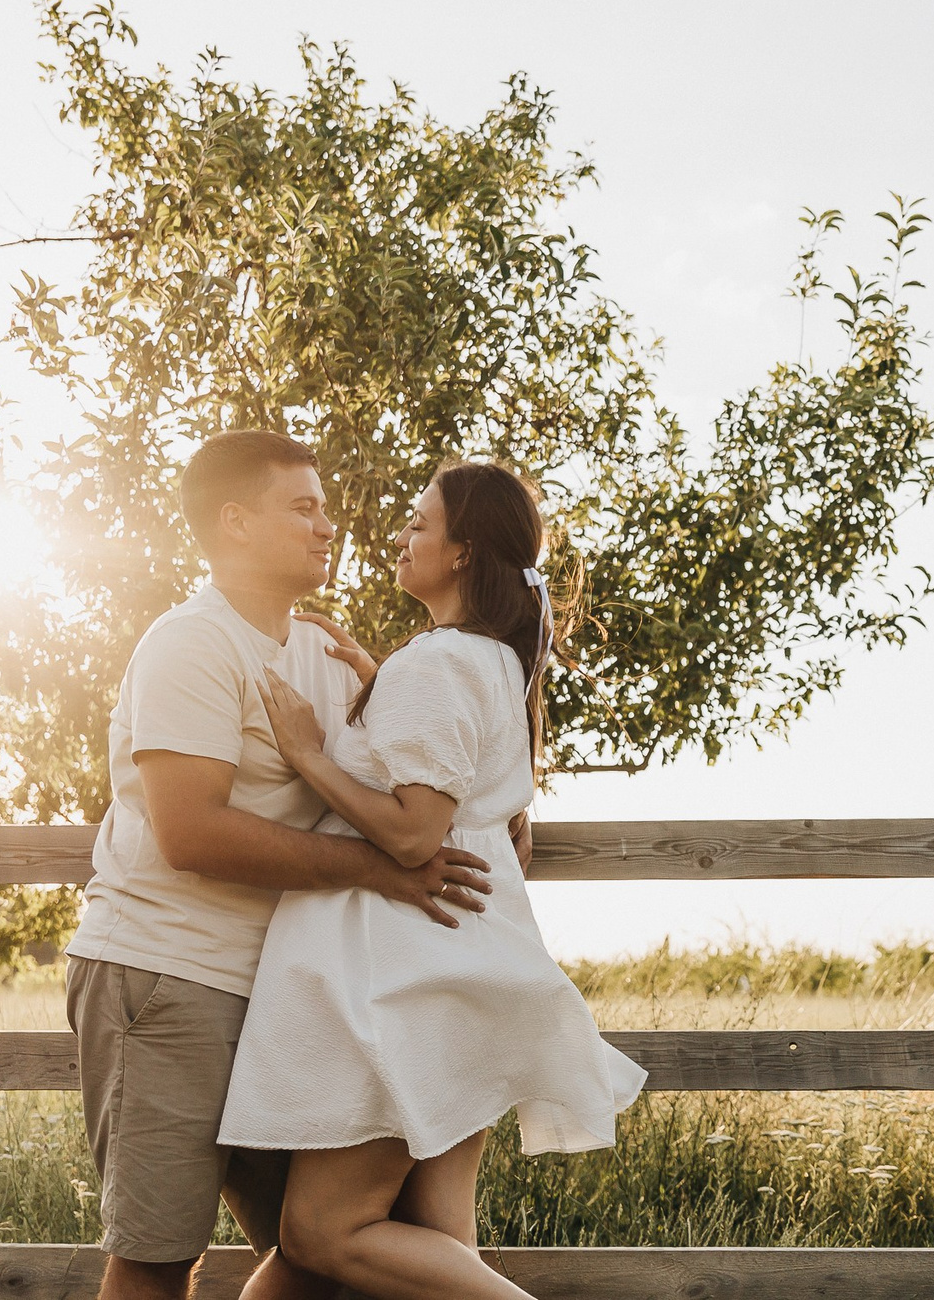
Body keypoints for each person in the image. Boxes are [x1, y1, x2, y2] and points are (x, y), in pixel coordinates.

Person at [63, 430, 501, 1300]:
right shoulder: (190, 644)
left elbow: (416, 769)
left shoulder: (324, 655)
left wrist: (497, 816)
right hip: (167, 977)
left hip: (283, 994)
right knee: (156, 1258)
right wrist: (373, 869)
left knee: (329, 1245)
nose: (327, 525)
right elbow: (193, 833)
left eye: (324, 507)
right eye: (303, 507)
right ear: (234, 522)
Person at [220, 459, 646, 1300]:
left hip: (405, 980)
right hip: (459, 968)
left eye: (420, 523)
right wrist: (384, 683)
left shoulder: (441, 662)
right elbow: (448, 782)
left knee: (317, 1230)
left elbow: (415, 830)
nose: (401, 536)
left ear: (463, 551)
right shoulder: (487, 660)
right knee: (435, 1239)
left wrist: (308, 751)